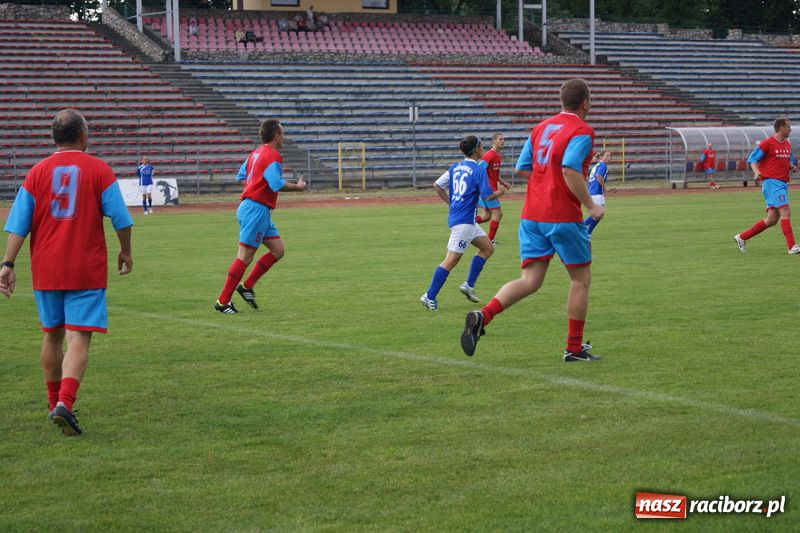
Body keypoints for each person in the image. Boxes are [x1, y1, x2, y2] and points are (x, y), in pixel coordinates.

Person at [0, 109, 134, 436]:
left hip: (46, 268)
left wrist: (7, 263)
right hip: (84, 267)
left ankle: (52, 402)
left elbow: (19, 224)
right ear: (83, 135)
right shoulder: (99, 170)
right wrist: (125, 251)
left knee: (52, 335)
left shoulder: (36, 173)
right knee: (78, 339)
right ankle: (66, 402)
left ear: (54, 138)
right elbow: (121, 219)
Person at [460, 79, 604, 362]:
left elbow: (523, 167)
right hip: (562, 215)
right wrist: (591, 205)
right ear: (586, 102)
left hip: (531, 215)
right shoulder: (582, 131)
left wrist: (545, 182)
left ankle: (483, 316)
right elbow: (570, 169)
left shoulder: (540, 128)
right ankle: (573, 348)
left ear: (562, 101)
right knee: (580, 279)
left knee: (531, 280)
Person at [214, 119, 307, 314]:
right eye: (282, 133)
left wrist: (253, 189)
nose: (284, 137)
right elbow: (277, 184)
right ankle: (223, 302)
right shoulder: (272, 156)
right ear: (276, 135)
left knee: (278, 250)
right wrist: (298, 187)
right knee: (245, 256)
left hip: (256, 209)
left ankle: (246, 287)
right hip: (256, 209)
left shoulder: (255, 153)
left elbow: (241, 176)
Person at [420, 136, 506, 311]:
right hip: (464, 223)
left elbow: (437, 185)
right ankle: (429, 296)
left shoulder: (456, 167)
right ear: (476, 150)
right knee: (451, 261)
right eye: (481, 146)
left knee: (487, 248)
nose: (483, 148)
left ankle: (469, 285)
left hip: (466, 220)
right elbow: (487, 195)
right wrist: (500, 192)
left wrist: (451, 203)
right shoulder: (478, 170)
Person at [734, 117, 800, 255]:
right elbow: (752, 159)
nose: (790, 129)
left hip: (781, 183)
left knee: (772, 220)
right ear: (781, 128)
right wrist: (757, 172)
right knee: (785, 210)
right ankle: (792, 246)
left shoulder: (787, 145)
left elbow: (786, 161)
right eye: (788, 127)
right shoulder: (768, 143)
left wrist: (792, 167)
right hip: (772, 182)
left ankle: (742, 237)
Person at [475, 132, 511, 244]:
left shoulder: (498, 156)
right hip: (488, 190)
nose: (503, 141)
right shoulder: (489, 155)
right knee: (498, 213)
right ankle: (490, 241)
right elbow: (479, 169)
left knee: (486, 216)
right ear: (494, 141)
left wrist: (503, 182)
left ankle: (464, 224)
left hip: (489, 189)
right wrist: (482, 186)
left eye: (503, 139)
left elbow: (495, 174)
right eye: (500, 139)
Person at [584, 150, 611, 235]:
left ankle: (588, 233)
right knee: (599, 213)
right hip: (597, 193)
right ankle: (581, 228)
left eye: (610, 156)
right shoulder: (603, 165)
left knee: (598, 214)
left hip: (592, 192)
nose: (609, 158)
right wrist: (605, 187)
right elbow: (598, 176)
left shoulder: (597, 165)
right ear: (602, 156)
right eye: (607, 156)